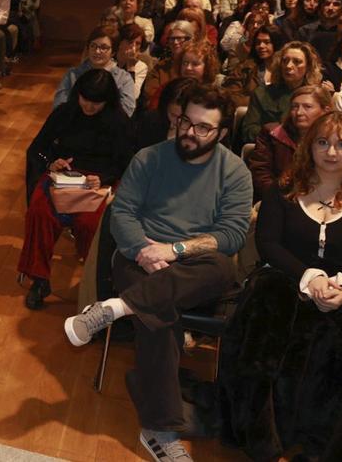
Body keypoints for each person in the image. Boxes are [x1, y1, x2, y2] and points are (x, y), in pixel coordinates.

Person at [67, 84, 251, 461]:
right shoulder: (149, 158)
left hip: (195, 265)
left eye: (203, 127)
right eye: (186, 121)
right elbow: (122, 213)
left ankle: (116, 308)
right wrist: (143, 250)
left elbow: (231, 235)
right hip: (139, 256)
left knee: (220, 266)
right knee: (160, 317)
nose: (190, 132)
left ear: (221, 133)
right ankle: (160, 431)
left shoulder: (234, 171)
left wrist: (175, 250)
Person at [220, 112, 342, 461]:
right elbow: (269, 244)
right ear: (309, 146)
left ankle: (339, 446)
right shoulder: (283, 190)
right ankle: (262, 434)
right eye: (323, 142)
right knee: (268, 304)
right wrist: (309, 277)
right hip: (286, 277)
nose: (331, 152)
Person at [20, 69, 132, 309]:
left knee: (90, 224)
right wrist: (51, 162)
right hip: (62, 177)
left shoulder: (118, 122)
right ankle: (39, 280)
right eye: (85, 99)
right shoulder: (65, 113)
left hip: (98, 182)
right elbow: (38, 149)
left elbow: (125, 163)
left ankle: (94, 282)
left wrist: (102, 177)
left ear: (107, 101)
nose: (89, 106)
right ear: (77, 94)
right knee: (40, 213)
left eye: (96, 102)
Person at [247, 84, 332, 202]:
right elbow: (260, 174)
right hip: (278, 199)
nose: (299, 112)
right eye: (294, 107)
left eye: (307, 107)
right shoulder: (272, 134)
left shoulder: (335, 140)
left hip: (322, 200)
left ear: (325, 111)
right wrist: (280, 199)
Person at [238, 41, 324, 149]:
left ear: (308, 66)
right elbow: (248, 132)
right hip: (270, 148)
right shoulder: (261, 93)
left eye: (297, 62)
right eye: (285, 61)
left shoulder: (317, 96)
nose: (288, 66)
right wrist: (278, 134)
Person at [53, 26, 137, 117]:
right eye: (93, 46)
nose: (97, 51)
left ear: (113, 52)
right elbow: (59, 107)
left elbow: (126, 111)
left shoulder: (123, 79)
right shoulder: (73, 74)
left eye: (103, 48)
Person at [221, 24, 284, 107]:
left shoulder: (285, 69)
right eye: (258, 42)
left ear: (276, 43)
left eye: (267, 42)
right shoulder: (245, 67)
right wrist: (258, 103)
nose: (261, 46)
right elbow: (230, 94)